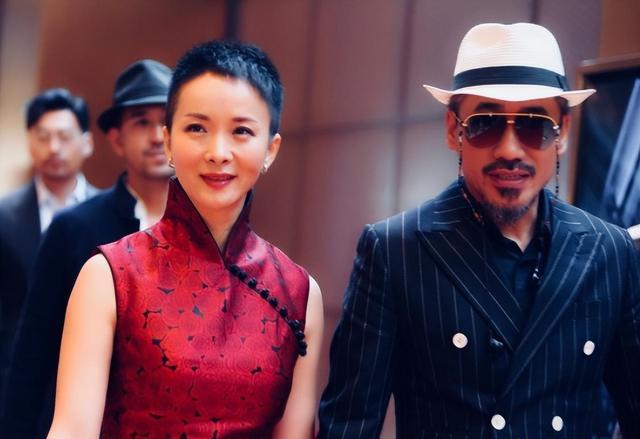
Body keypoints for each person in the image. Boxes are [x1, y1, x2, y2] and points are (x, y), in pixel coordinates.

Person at [318, 22, 640, 438]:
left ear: (562, 133)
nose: (509, 149)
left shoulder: (610, 251)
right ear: (454, 130)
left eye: (534, 125)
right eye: (486, 123)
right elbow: (349, 426)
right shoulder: (395, 250)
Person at [47, 40, 323, 438]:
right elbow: (72, 430)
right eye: (197, 128)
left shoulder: (298, 291)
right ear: (169, 141)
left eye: (242, 131)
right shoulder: (109, 276)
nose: (218, 152)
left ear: (270, 149)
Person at [0, 59, 173, 439]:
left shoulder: (201, 228)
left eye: (165, 122)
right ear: (116, 138)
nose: (156, 137)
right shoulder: (74, 227)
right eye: (141, 122)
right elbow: (33, 354)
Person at [0, 88, 97, 411]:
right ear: (30, 142)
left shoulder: (110, 215)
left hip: (91, 376)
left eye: (64, 137)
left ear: (87, 143)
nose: (54, 147)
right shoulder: (4, 216)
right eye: (43, 137)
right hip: (15, 379)